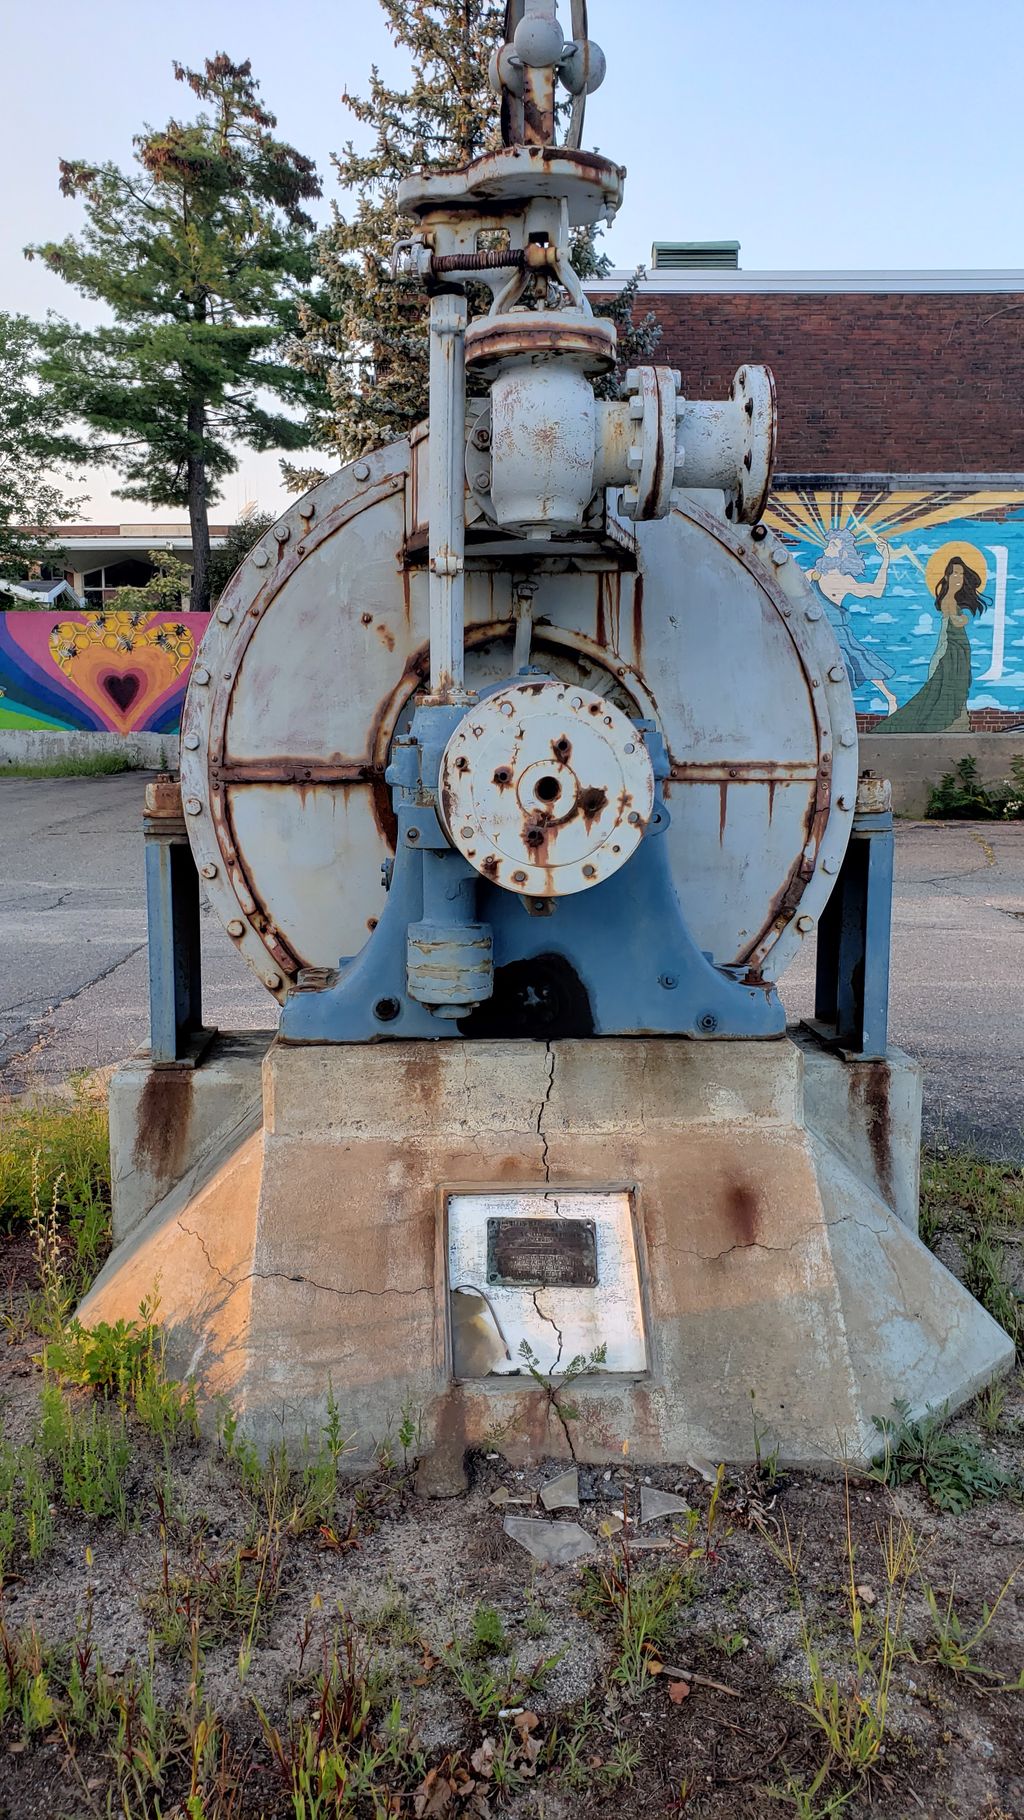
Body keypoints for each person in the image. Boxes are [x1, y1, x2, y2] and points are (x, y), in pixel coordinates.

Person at [875, 555, 986, 734]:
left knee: (953, 690)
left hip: (958, 653)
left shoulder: (954, 599)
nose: (959, 578)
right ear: (947, 577)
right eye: (955, 573)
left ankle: (955, 723)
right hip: (951, 654)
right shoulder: (948, 599)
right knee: (943, 693)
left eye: (961, 574)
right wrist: (963, 619)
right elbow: (954, 622)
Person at [808, 529, 901, 712]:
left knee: (860, 663)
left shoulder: (845, 580)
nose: (827, 548)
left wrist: (886, 561)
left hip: (838, 633)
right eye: (829, 544)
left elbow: (876, 591)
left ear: (843, 553)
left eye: (833, 545)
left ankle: (890, 698)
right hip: (816, 630)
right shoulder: (814, 574)